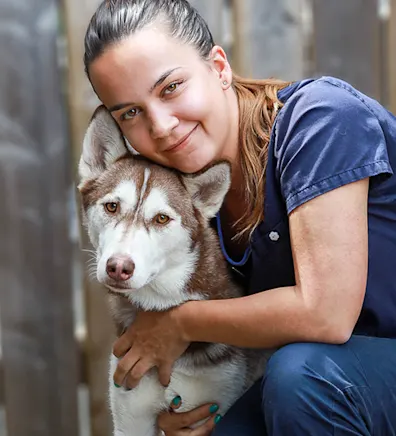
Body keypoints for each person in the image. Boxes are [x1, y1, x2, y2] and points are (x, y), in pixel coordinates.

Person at [83, 0, 396, 434]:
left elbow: (325, 314)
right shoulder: (182, 191)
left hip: (339, 372)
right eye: (130, 112)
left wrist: (179, 323)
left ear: (218, 67)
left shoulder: (320, 121)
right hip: (327, 382)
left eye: (170, 87)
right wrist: (178, 412)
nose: (161, 125)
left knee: (300, 376)